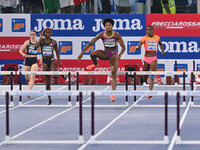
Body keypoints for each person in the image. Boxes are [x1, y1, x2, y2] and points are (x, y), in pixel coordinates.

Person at [77, 18, 125, 102]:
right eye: (106, 25)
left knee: (113, 74)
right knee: (92, 54)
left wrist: (120, 55)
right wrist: (82, 53)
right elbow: (90, 43)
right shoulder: (101, 34)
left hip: (113, 55)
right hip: (105, 54)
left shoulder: (117, 35)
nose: (108, 27)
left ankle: (113, 94)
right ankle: (95, 64)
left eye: (109, 25)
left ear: (112, 26)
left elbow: (123, 47)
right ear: (104, 27)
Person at [135, 25, 165, 99]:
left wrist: (162, 51)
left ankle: (150, 92)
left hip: (153, 58)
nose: (149, 31)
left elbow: (160, 44)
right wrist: (137, 47)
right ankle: (144, 80)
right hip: (146, 59)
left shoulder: (157, 37)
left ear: (153, 30)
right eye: (147, 30)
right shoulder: (144, 38)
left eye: (150, 30)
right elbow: (139, 45)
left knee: (152, 75)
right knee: (145, 76)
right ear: (146, 31)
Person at [34, 27, 62, 105]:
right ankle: (49, 98)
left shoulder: (54, 42)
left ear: (51, 33)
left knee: (55, 76)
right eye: (46, 32)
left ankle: (59, 73)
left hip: (52, 59)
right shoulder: (42, 41)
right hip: (45, 62)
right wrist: (39, 39)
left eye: (49, 32)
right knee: (47, 83)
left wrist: (59, 61)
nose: (48, 34)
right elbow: (35, 48)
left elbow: (57, 52)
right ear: (44, 33)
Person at [19, 30, 38, 98]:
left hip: (34, 60)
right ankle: (31, 83)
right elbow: (20, 50)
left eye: (34, 34)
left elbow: (43, 50)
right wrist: (23, 54)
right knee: (27, 77)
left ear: (36, 35)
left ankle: (29, 91)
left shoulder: (38, 43)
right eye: (31, 34)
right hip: (27, 60)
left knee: (33, 76)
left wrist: (42, 58)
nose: (32, 35)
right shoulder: (27, 42)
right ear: (30, 35)